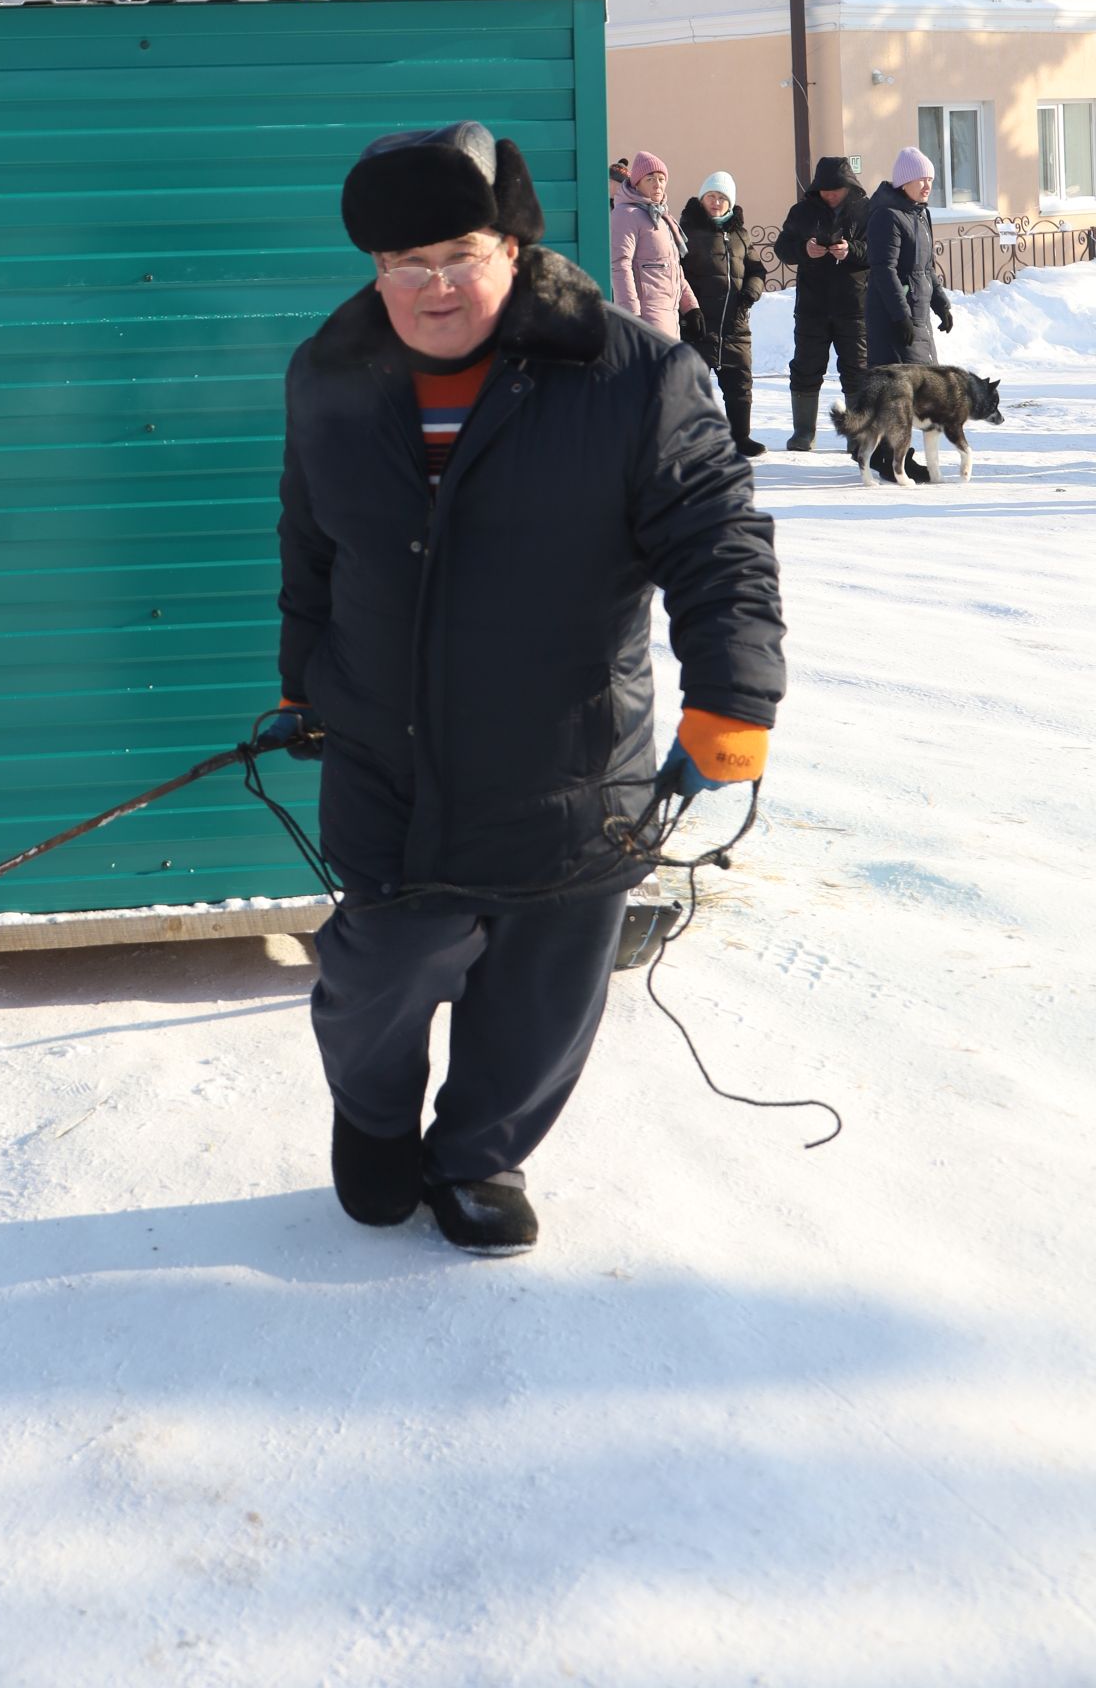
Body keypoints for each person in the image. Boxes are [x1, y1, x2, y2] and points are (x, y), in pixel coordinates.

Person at [275, 122, 784, 1256]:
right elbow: (311, 543)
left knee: (547, 989)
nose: (434, 287)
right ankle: (371, 1114)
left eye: (459, 253)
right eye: (405, 266)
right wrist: (303, 681)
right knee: (385, 963)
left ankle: (477, 1154)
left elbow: (721, 545)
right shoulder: (332, 375)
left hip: (571, 755)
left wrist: (733, 703)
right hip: (386, 751)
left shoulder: (635, 378)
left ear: (512, 243)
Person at [773, 154, 869, 450]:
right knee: (805, 366)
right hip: (812, 307)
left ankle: (858, 436)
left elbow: (877, 250)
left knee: (857, 370)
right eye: (824, 189)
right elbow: (782, 248)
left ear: (847, 186)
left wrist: (850, 251)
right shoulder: (801, 211)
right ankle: (803, 433)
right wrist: (804, 249)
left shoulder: (866, 211)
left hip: (854, 306)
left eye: (835, 190)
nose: (829, 195)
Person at [678, 171, 766, 457]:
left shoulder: (740, 233)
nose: (716, 203)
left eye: (722, 198)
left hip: (734, 322)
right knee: (694, 385)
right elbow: (677, 273)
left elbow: (756, 270)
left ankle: (740, 437)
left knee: (739, 383)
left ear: (731, 203)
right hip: (699, 320)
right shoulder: (687, 230)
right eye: (711, 196)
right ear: (702, 198)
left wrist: (751, 293)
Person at [866, 146, 954, 366]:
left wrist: (941, 304)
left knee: (924, 384)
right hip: (894, 317)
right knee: (900, 388)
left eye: (930, 179)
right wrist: (900, 315)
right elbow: (884, 270)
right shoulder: (887, 216)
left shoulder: (920, 213)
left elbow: (925, 268)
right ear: (904, 182)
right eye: (921, 180)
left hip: (918, 313)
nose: (928, 186)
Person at [609, 150, 699, 336]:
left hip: (670, 315)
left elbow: (673, 267)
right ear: (637, 183)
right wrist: (631, 317)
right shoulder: (626, 214)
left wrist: (690, 307)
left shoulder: (663, 217)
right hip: (647, 317)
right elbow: (620, 266)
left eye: (661, 179)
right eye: (650, 179)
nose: (657, 184)